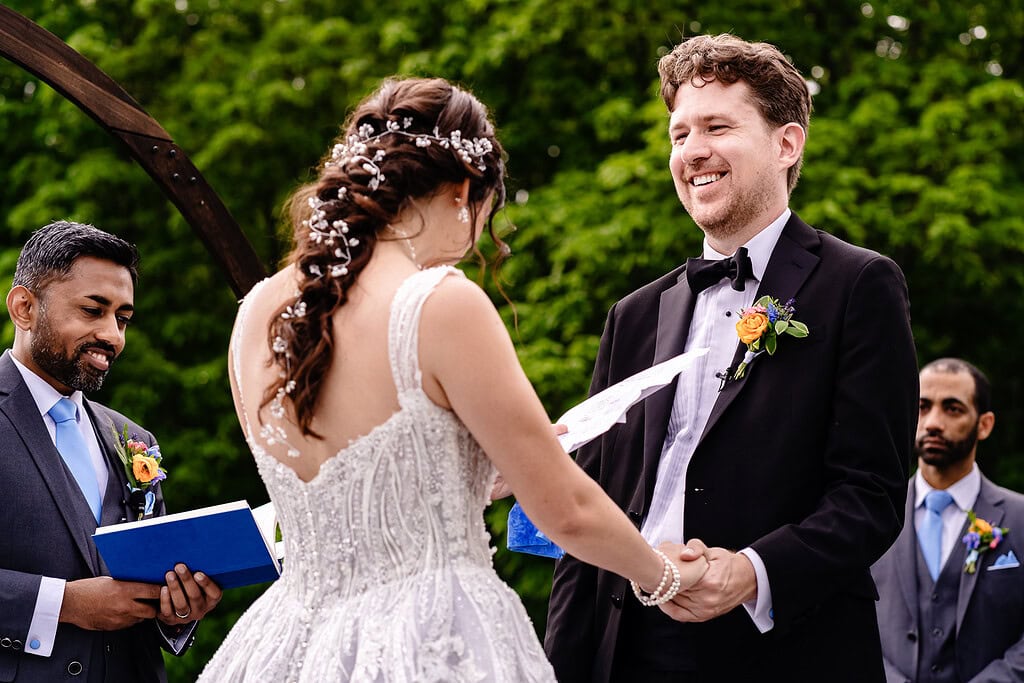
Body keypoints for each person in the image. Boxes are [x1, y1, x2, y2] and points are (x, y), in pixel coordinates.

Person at [196, 76, 709, 682]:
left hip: (291, 644)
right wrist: (664, 576)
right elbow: (566, 510)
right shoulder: (437, 301)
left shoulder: (256, 312)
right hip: (429, 637)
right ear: (464, 191)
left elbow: (344, 485)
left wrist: (472, 474)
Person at [544, 33, 919, 682]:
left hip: (783, 650)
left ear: (786, 144)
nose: (692, 151)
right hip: (625, 646)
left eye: (717, 127)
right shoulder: (633, 314)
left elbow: (871, 493)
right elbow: (591, 501)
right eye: (679, 134)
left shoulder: (860, 284)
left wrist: (751, 573)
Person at [0, 221, 222, 682]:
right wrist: (64, 604)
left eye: (122, 318)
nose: (113, 336)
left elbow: (151, 581)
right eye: (92, 310)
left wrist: (178, 610)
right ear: (24, 308)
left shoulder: (134, 438)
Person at [872, 359, 1024, 683]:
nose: (933, 423)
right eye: (923, 407)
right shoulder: (871, 513)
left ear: (984, 424)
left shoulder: (1020, 517)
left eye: (952, 409)